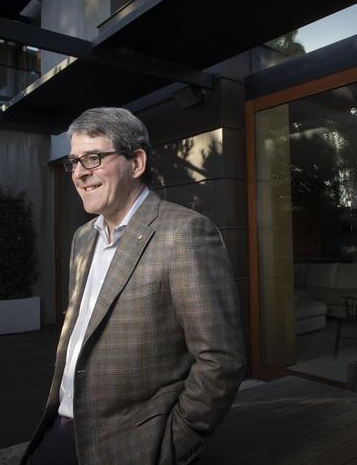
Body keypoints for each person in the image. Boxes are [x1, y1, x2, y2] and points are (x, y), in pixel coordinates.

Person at [22, 107, 246, 465]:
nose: (79, 173)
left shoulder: (184, 232)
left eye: (93, 158)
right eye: (74, 162)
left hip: (133, 446)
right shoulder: (83, 237)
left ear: (136, 162)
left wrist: (173, 445)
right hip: (59, 429)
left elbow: (221, 359)